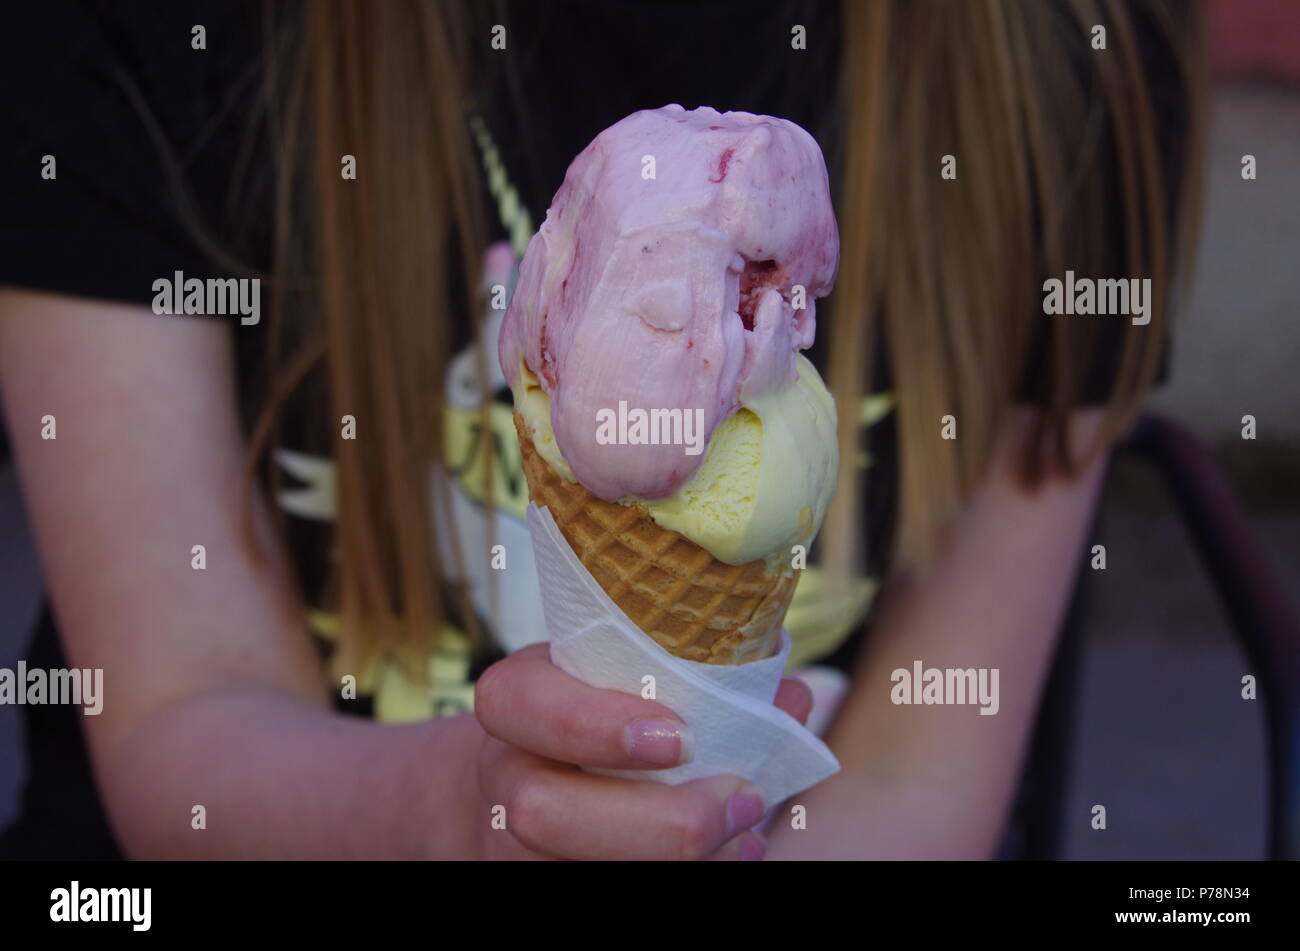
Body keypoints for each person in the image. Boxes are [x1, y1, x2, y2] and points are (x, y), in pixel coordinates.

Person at [0, 0, 1204, 859]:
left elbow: (917, 777)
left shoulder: (1069, 49)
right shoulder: (155, 33)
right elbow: (178, 722)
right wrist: (454, 818)